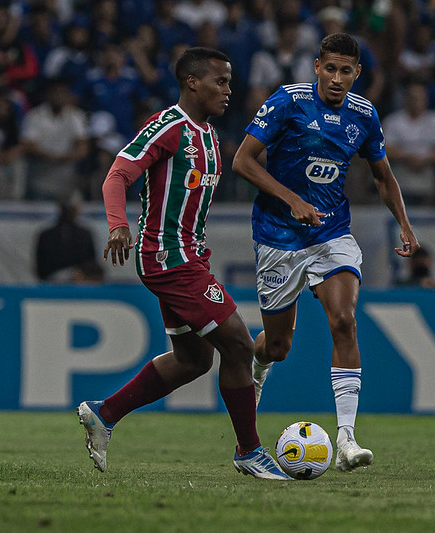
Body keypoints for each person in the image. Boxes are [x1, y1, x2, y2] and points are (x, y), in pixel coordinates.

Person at [77, 47, 290, 480]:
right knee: (239, 345)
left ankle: (105, 413)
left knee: (194, 360)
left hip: (190, 257)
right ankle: (249, 451)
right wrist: (118, 224)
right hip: (169, 258)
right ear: (193, 81)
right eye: (221, 81)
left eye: (230, 81)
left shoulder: (209, 135)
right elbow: (117, 174)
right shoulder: (168, 127)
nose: (229, 90)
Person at [232, 33, 419, 472]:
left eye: (346, 71)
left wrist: (406, 224)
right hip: (278, 235)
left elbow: (383, 175)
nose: (337, 79)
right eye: (330, 69)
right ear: (317, 66)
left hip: (331, 233)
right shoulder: (287, 102)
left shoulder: (364, 115)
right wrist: (291, 199)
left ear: (358, 73)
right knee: (278, 346)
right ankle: (258, 370)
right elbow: (242, 160)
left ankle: (347, 441)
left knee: (344, 320)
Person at [35, 191, 103, 283]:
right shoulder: (46, 236)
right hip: (53, 286)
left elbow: (92, 267)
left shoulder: (85, 235)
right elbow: (41, 270)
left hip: (79, 284)